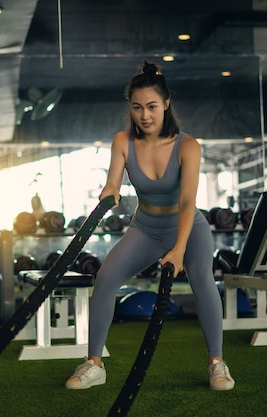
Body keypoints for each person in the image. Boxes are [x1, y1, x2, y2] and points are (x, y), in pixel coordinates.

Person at [65, 61, 235, 391]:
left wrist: (179, 249)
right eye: (138, 107)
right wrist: (109, 192)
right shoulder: (123, 142)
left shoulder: (188, 146)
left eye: (152, 107)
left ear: (166, 104)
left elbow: (187, 203)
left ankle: (217, 363)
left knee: (201, 276)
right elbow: (113, 183)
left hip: (189, 228)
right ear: (130, 107)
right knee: (106, 277)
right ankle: (94, 363)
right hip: (145, 228)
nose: (145, 116)